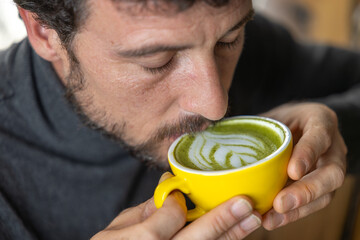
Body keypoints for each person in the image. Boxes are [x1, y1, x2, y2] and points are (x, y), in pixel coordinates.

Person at [0, 0, 357, 239]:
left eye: (229, 40)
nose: (215, 106)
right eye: (156, 61)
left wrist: (337, 129)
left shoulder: (206, 28)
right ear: (44, 32)